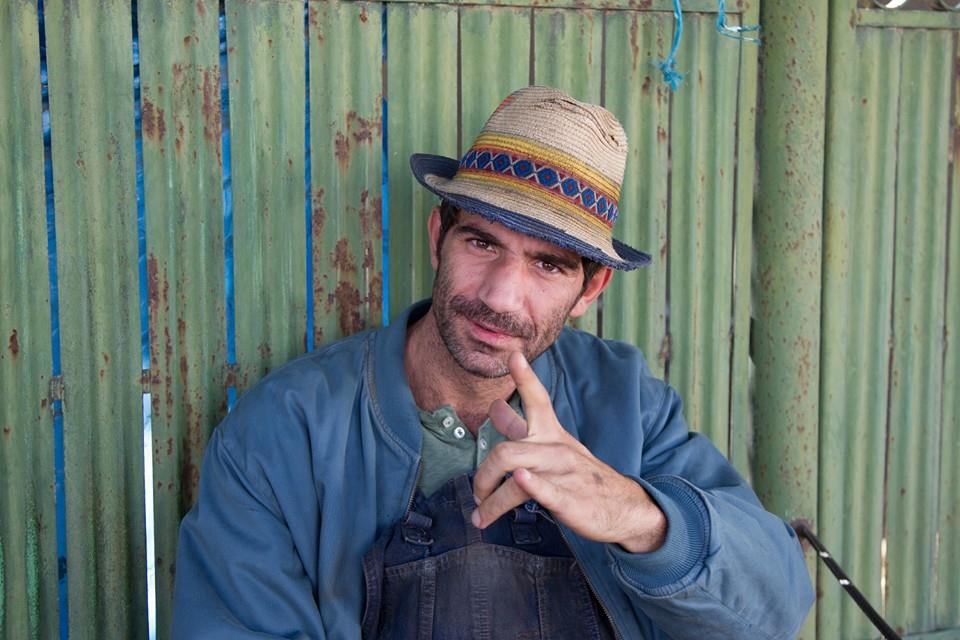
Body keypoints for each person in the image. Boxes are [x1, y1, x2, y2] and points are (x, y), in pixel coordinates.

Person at [172, 86, 814, 639]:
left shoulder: (626, 403)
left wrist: (636, 515)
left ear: (590, 289)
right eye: (482, 242)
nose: (502, 296)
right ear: (438, 239)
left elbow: (774, 606)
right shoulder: (284, 434)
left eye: (548, 264)